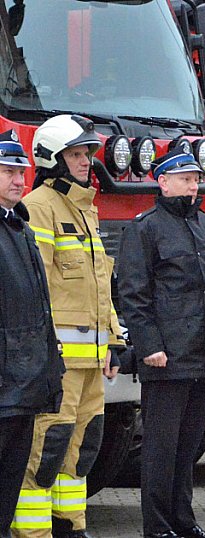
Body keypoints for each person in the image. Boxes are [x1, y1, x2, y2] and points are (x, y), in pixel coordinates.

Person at [117, 147, 205, 538]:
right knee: (161, 447)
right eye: (185, 178)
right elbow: (133, 295)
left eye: (195, 178)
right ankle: (157, 526)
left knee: (189, 447)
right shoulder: (145, 228)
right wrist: (149, 345)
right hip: (167, 357)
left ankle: (184, 523)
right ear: (163, 181)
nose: (193, 184)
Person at [13, 115, 125, 538]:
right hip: (57, 363)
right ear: (52, 159)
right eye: (76, 154)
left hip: (92, 362)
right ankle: (33, 532)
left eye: (87, 154)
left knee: (84, 447)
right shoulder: (39, 207)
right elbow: (33, 287)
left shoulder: (86, 210)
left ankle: (71, 526)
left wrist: (113, 341)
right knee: (47, 447)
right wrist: (39, 353)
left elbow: (100, 284)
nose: (86, 162)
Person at [0, 130, 64, 538]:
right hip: (4, 376)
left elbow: (40, 305)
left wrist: (49, 362)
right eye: (7, 172)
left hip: (23, 378)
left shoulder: (20, 229)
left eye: (20, 173)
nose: (18, 180)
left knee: (11, 472)